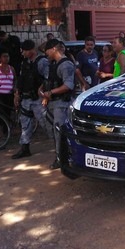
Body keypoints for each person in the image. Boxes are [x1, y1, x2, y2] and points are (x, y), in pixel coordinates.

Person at [12, 40, 53, 159]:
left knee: (46, 124)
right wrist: (17, 94)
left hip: (38, 100)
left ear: (31, 50)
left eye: (24, 51)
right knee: (25, 124)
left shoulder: (42, 62)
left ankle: (60, 148)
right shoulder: (25, 63)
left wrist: (45, 96)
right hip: (26, 99)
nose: (22, 53)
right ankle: (25, 148)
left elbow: (48, 80)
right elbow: (21, 80)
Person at [39, 39, 76, 170]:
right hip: (54, 104)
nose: (46, 54)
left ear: (54, 49)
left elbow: (68, 85)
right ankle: (61, 157)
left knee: (60, 133)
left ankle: (63, 159)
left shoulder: (66, 65)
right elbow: (50, 80)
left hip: (62, 104)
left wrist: (51, 92)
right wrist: (43, 90)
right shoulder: (54, 63)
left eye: (47, 50)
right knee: (55, 133)